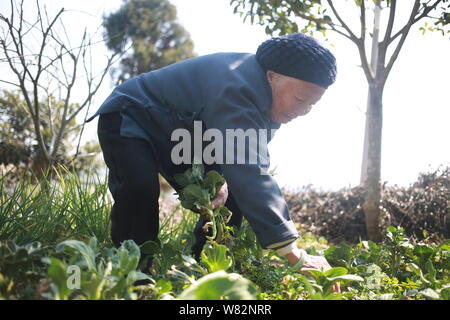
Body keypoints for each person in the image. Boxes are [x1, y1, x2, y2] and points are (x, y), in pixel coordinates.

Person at [87, 33, 339, 292]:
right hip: (132, 116)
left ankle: (203, 272)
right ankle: (133, 278)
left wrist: (223, 178)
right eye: (300, 99)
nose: (303, 111)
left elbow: (238, 159)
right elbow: (250, 171)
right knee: (139, 188)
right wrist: (293, 253)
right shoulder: (238, 85)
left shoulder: (271, 109)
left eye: (312, 104)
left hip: (181, 133)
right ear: (271, 76)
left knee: (232, 197)